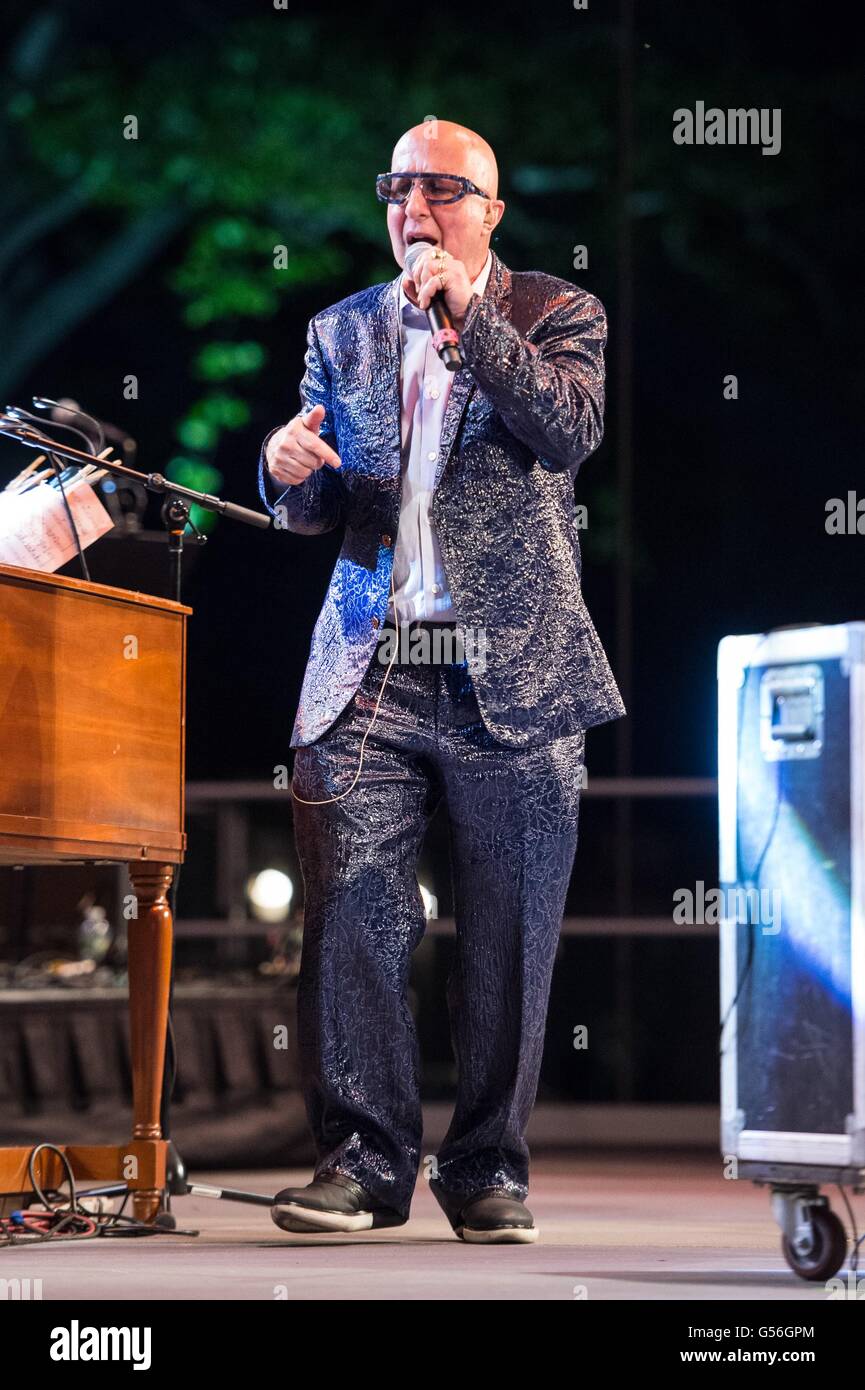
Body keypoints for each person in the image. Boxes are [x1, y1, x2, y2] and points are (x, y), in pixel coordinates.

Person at [258, 120, 625, 1243]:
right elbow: (321, 506)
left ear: (489, 213)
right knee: (354, 921)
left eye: (440, 189)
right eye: (397, 187)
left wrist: (468, 322)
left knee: (510, 931)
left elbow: (564, 433)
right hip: (372, 665)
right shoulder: (344, 330)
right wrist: (283, 471)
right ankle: (363, 1164)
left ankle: (484, 1171)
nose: (413, 207)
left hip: (507, 666)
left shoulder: (554, 312)